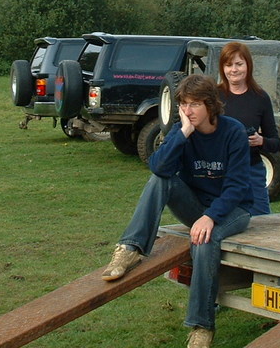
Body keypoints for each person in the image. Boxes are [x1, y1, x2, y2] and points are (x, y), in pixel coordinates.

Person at [101, 74, 253, 348]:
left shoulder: (234, 132)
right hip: (196, 207)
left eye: (194, 104)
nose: (187, 110)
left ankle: (201, 327)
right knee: (160, 180)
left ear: (210, 105)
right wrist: (183, 133)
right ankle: (131, 248)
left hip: (233, 210)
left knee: (204, 242)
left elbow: (238, 186)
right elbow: (158, 167)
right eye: (183, 104)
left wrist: (210, 217)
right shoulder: (181, 130)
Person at [218, 41, 280, 215]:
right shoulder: (215, 96)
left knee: (261, 221)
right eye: (228, 65)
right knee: (221, 219)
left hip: (251, 170)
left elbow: (275, 143)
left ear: (248, 65)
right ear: (222, 68)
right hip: (220, 172)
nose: (234, 70)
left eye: (239, 64)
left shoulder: (260, 98)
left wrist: (261, 141)